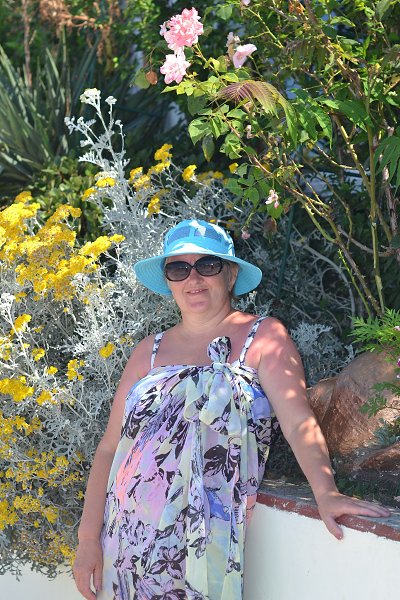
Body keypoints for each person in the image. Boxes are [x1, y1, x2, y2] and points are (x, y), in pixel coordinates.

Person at [73, 219, 390, 600]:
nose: (193, 278)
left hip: (208, 539)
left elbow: (297, 422)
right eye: (178, 268)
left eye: (207, 265)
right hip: (130, 534)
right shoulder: (148, 352)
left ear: (231, 273)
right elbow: (110, 447)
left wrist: (326, 492)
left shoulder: (263, 337)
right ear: (169, 281)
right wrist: (88, 539)